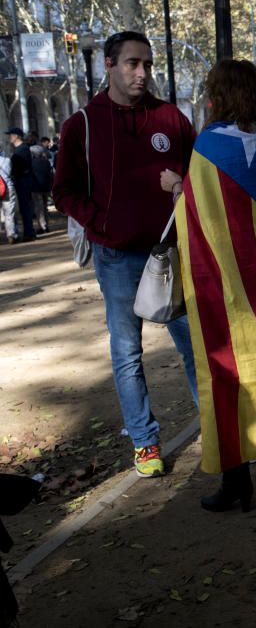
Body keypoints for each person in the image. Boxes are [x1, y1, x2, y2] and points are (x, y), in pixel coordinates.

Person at [161, 59, 256, 513]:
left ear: (219, 96)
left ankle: (236, 483)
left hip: (227, 294)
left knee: (228, 375)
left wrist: (176, 186)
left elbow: (198, 217)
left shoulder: (208, 147)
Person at [52, 31, 199, 479]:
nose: (142, 73)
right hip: (115, 258)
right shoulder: (82, 123)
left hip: (170, 255)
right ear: (110, 66)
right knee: (127, 353)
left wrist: (182, 192)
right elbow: (65, 190)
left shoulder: (171, 118)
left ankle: (216, 420)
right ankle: (145, 442)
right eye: (133, 63)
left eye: (147, 64)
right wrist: (101, 224)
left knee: (194, 343)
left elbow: (198, 179)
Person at [6, 127, 36, 242]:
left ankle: (29, 233)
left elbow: (22, 168)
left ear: (16, 136)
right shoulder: (21, 149)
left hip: (23, 181)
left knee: (25, 208)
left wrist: (13, 172)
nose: (9, 137)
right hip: (22, 180)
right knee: (25, 208)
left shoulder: (22, 149)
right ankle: (29, 232)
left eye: (11, 135)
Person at [29, 145, 52, 233]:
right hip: (46, 187)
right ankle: (46, 224)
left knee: (39, 207)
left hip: (36, 187)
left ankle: (42, 226)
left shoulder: (31, 163)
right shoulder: (46, 162)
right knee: (45, 207)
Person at [0, 153, 18, 244]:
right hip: (7, 187)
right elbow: (10, 172)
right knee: (9, 212)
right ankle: (11, 234)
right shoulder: (6, 160)